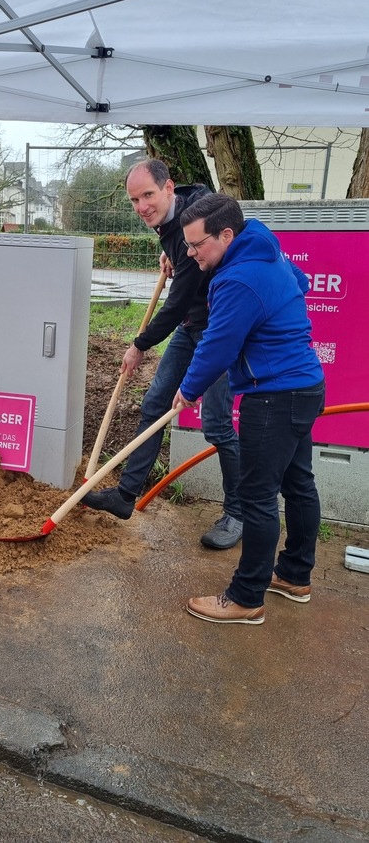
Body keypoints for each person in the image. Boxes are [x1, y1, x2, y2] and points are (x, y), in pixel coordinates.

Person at [172, 194, 325, 624]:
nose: (190, 252)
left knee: (256, 498)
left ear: (225, 235)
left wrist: (187, 390)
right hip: (305, 385)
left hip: (274, 395)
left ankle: (246, 597)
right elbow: (303, 283)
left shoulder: (237, 280)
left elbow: (218, 346)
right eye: (185, 244)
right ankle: (295, 576)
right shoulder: (264, 246)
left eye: (196, 244)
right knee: (298, 484)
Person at [83, 159, 243, 549]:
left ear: (168, 188)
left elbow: (178, 302)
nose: (141, 206)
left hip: (219, 329)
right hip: (192, 326)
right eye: (135, 199)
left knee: (218, 424)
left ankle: (239, 512)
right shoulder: (175, 217)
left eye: (148, 195)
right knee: (154, 403)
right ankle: (125, 496)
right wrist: (168, 251)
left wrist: (139, 345)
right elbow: (197, 193)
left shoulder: (192, 216)